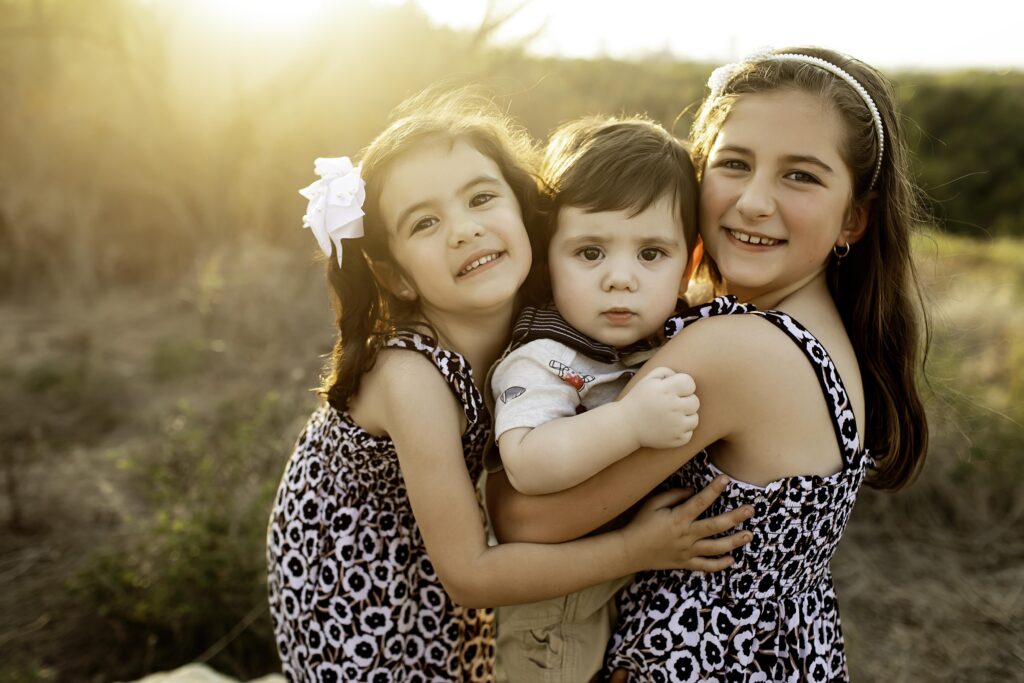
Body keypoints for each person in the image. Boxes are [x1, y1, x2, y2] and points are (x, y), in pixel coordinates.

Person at [265, 89, 753, 682]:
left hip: (441, 544)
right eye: (425, 222)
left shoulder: (550, 299)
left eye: (480, 198)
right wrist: (638, 552)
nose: (464, 231)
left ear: (525, 216)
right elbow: (468, 574)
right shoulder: (410, 377)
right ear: (396, 276)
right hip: (358, 584)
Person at [485, 47, 930, 682]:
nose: (752, 201)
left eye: (799, 175)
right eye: (734, 163)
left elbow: (523, 518)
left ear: (853, 218)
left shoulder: (737, 350)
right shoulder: (821, 331)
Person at [486, 116, 751, 682]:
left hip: (620, 592)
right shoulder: (546, 357)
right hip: (552, 615)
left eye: (652, 254)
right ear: (547, 253)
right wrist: (629, 423)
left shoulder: (669, 333)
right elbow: (527, 463)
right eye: (589, 253)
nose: (621, 278)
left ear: (691, 259)